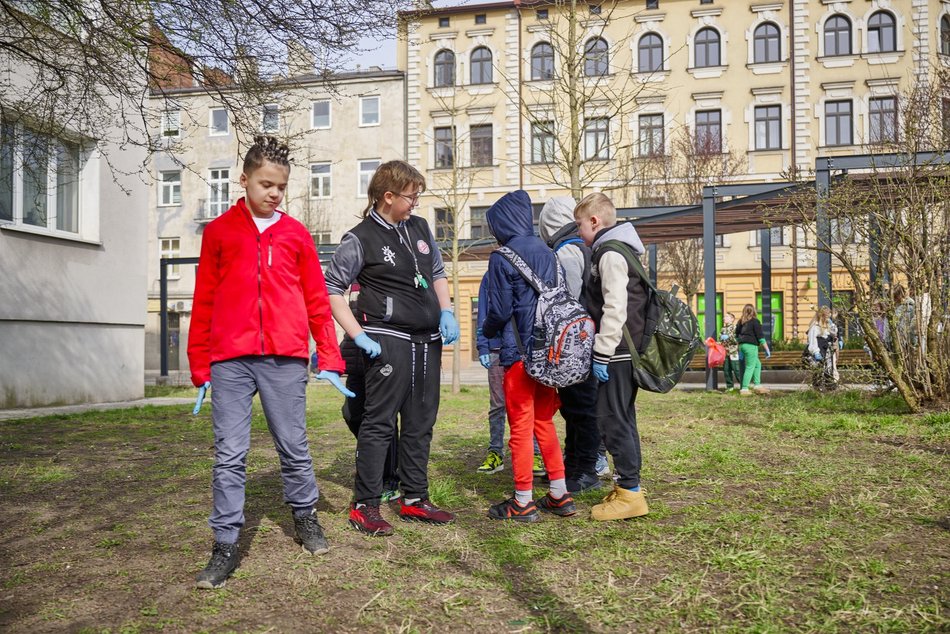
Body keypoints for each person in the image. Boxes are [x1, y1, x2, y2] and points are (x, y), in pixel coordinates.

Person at [187, 136, 354, 589]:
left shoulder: (297, 235)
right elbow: (204, 301)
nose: (274, 193)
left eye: (281, 186)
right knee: (229, 455)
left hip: (284, 358)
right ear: (244, 181)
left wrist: (331, 357)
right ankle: (224, 544)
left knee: (294, 447)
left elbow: (318, 301)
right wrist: (200, 365)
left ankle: (306, 518)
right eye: (265, 184)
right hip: (231, 361)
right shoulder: (219, 233)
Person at [324, 160, 459, 536]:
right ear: (388, 196)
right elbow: (332, 290)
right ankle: (365, 504)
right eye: (411, 195)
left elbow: (436, 273)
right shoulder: (360, 238)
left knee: (420, 422)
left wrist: (446, 312)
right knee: (379, 422)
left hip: (426, 341)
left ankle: (414, 498)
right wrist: (358, 334)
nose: (416, 202)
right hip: (387, 339)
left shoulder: (419, 227)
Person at [481, 190, 575, 522]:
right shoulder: (551, 253)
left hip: (518, 354)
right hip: (548, 354)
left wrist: (488, 330)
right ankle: (560, 495)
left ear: (503, 223)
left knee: (520, 426)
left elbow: (500, 310)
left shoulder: (501, 257)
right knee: (544, 422)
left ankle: (522, 501)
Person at [574, 192, 651, 521]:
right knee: (623, 417)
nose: (579, 234)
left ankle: (630, 494)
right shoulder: (622, 249)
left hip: (617, 351)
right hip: (624, 349)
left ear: (595, 221)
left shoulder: (609, 253)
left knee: (612, 420)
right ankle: (627, 487)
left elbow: (615, 306)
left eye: (580, 226)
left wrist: (602, 352)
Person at [539, 195, 603, 493]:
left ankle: (585, 469)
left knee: (580, 408)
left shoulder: (566, 252)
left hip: (577, 345)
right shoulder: (580, 246)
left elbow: (569, 302)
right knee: (577, 407)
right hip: (588, 340)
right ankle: (575, 466)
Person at [339, 290, 401, 502]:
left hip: (382, 357)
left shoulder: (384, 270)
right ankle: (374, 461)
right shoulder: (351, 279)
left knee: (383, 419)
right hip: (357, 356)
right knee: (352, 414)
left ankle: (389, 479)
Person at [735, 303, 771, 395]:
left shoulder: (740, 322)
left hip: (742, 346)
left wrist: (740, 348)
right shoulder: (755, 321)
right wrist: (767, 349)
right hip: (751, 346)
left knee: (757, 364)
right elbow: (760, 337)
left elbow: (737, 335)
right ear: (754, 311)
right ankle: (744, 388)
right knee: (750, 367)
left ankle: (757, 385)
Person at [806, 306, 839, 391]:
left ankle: (830, 387)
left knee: (830, 368)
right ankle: (817, 388)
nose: (828, 317)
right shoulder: (815, 326)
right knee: (819, 369)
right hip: (819, 350)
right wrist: (816, 352)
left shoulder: (828, 324)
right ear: (822, 315)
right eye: (826, 316)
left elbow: (834, 333)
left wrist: (832, 323)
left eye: (829, 315)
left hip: (828, 350)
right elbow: (812, 341)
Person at [719, 312, 740, 391]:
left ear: (732, 319)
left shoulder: (735, 328)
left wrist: (729, 337)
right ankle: (730, 387)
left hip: (734, 352)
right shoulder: (723, 329)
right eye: (724, 316)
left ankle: (743, 386)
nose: (724, 318)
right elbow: (721, 340)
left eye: (727, 317)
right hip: (725, 353)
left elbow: (737, 340)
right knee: (726, 370)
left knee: (736, 369)